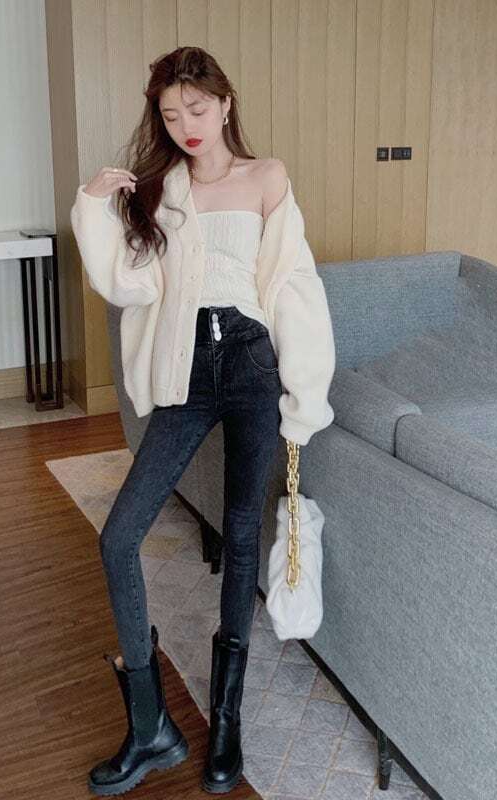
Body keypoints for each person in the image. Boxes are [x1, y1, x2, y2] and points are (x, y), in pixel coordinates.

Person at [69, 46, 336, 796]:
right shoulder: (164, 190)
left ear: (224, 103)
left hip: (251, 365)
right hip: (187, 369)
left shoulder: (267, 177)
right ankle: (150, 726)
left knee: (242, 534)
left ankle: (226, 721)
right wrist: (93, 204)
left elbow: (293, 286)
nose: (185, 124)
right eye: (169, 114)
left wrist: (303, 397)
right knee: (120, 535)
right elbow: (128, 283)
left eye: (196, 107)